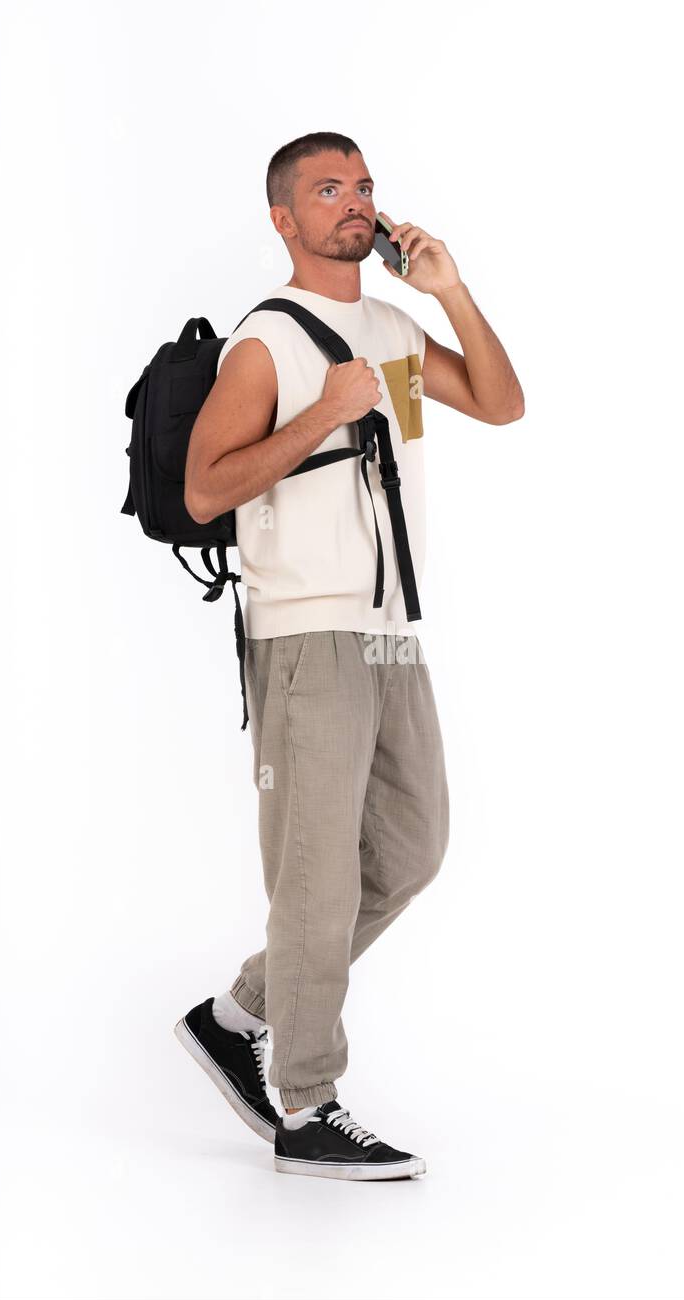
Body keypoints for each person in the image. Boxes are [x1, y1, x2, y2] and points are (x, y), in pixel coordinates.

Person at [173, 131, 525, 1181]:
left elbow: (502, 402)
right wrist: (324, 415)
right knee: (317, 877)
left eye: (362, 186)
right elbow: (203, 491)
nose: (353, 204)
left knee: (411, 849)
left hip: (389, 632)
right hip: (306, 634)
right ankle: (307, 1101)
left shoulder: (391, 327)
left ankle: (239, 1012)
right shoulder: (266, 343)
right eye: (328, 190)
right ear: (285, 218)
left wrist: (451, 290)